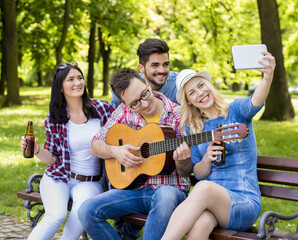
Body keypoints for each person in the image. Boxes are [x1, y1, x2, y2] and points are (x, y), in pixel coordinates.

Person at [161, 51, 276, 240]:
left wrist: (268, 76)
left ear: (208, 85)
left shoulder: (236, 111)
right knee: (198, 228)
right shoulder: (193, 129)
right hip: (212, 205)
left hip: (243, 202)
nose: (200, 93)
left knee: (204, 188)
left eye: (201, 85)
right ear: (189, 101)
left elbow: (256, 101)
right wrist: (206, 158)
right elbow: (199, 173)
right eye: (192, 92)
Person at [78, 68, 193, 240]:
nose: (144, 104)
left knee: (165, 195)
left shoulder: (179, 116)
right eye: (135, 103)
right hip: (135, 191)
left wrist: (182, 161)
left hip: (170, 190)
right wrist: (115, 151)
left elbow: (186, 171)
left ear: (147, 84)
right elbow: (95, 145)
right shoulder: (124, 112)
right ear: (125, 104)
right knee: (87, 211)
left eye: (145, 94)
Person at [20, 62, 114, 240]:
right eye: (70, 79)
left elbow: (122, 130)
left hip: (90, 182)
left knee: (76, 222)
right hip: (58, 177)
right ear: (61, 87)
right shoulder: (55, 117)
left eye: (79, 78)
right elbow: (52, 160)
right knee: (55, 216)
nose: (77, 83)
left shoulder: (102, 108)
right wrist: (37, 149)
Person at [110, 38, 179, 109]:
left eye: (166, 64)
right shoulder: (124, 89)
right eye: (155, 65)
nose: (162, 70)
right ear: (141, 68)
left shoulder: (180, 84)